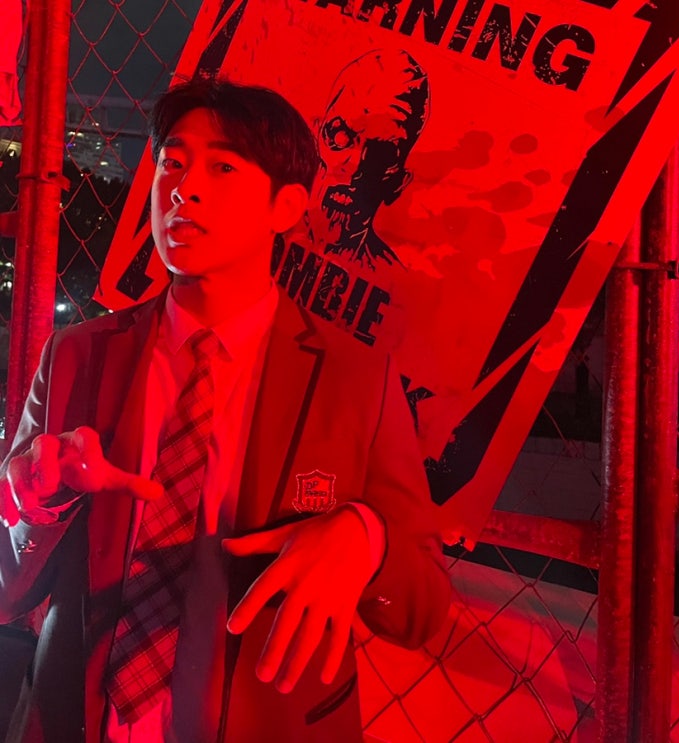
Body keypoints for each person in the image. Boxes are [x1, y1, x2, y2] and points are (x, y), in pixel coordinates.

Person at [0, 78, 451, 743]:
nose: (184, 189)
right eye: (171, 163)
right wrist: (39, 503)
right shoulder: (78, 355)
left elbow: (421, 612)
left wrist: (367, 537)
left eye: (223, 168)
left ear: (286, 206)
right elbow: (9, 587)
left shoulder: (355, 377)